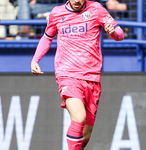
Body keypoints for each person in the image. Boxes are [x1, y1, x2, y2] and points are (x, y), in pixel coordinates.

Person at [31, 0, 124, 149]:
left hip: (92, 77)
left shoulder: (96, 9)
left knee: (85, 135)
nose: (76, 1)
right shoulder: (57, 12)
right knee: (79, 117)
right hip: (67, 74)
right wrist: (35, 59)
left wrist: (113, 32)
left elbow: (120, 35)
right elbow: (47, 37)